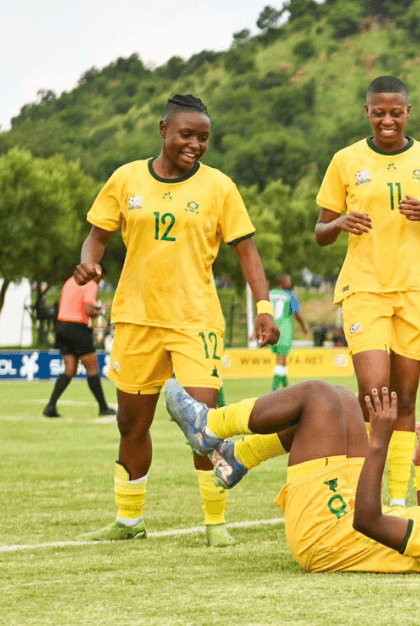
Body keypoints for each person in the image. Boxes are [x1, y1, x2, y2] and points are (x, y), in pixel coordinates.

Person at [74, 94, 281, 547]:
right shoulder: (126, 178)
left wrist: (264, 308)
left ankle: (215, 524)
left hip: (195, 321)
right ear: (163, 128)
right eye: (187, 134)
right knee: (131, 424)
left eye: (204, 138)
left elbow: (247, 251)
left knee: (202, 425)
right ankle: (129, 522)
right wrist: (88, 264)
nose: (195, 145)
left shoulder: (219, 187)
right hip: (135, 320)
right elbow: (95, 238)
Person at [162, 378, 420, 573]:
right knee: (344, 401)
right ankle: (236, 457)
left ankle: (209, 426)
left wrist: (379, 442)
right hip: (344, 517)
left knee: (317, 397)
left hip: (325, 534)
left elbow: (368, 521)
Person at [314, 76, 420, 508]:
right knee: (374, 392)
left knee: (405, 398)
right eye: (379, 112)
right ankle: (368, 494)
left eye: (395, 112)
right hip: (365, 287)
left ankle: (396, 501)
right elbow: (321, 232)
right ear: (367, 112)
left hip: (418, 288)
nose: (387, 120)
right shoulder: (345, 160)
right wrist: (339, 223)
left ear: (408, 112)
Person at [43, 266, 116, 417]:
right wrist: (101, 310)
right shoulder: (90, 283)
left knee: (70, 369)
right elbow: (89, 311)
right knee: (92, 369)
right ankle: (103, 408)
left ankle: (50, 406)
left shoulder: (71, 281)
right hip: (77, 328)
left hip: (61, 326)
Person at [269, 273, 309, 390]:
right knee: (281, 361)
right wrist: (303, 326)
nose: (290, 283)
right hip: (284, 331)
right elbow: (297, 314)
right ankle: (273, 391)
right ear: (282, 282)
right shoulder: (289, 295)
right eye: (288, 280)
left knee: (282, 360)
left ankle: (286, 388)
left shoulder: (270, 294)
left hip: (272, 330)